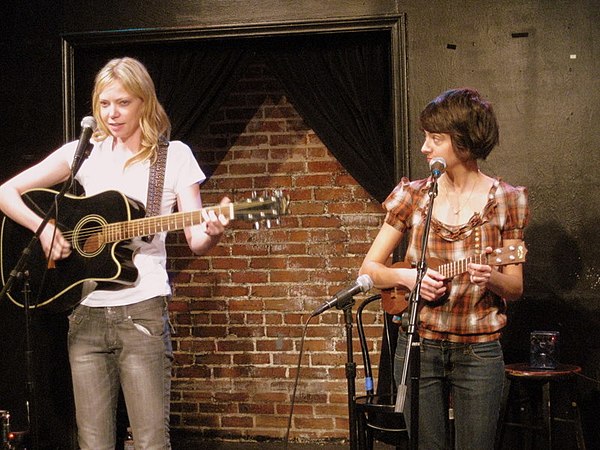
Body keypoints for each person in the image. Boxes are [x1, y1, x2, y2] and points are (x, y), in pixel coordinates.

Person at [0, 57, 230, 449]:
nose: (112, 113)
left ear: (144, 102)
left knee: (150, 440)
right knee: (93, 443)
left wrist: (213, 231)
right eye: (104, 104)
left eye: (122, 103)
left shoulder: (172, 156)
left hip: (141, 313)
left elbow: (196, 239)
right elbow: (7, 192)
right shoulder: (82, 153)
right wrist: (45, 229)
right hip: (86, 313)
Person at [359, 88, 529, 449]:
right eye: (425, 137)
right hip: (419, 346)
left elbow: (514, 287)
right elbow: (370, 269)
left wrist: (493, 277)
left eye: (436, 139)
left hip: (479, 351)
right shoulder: (414, 195)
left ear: (465, 142)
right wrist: (407, 277)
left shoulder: (506, 200)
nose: (425, 147)